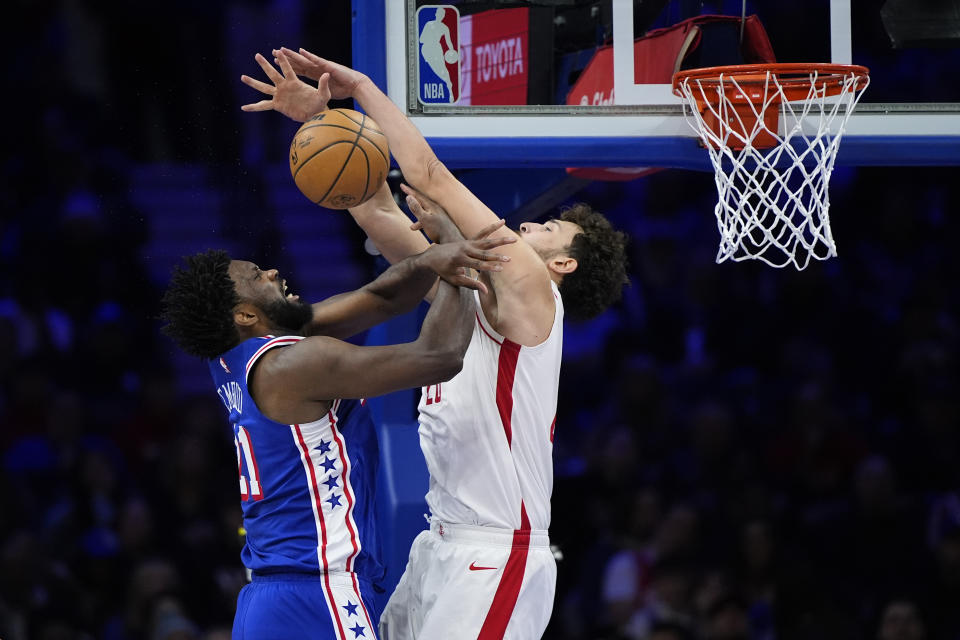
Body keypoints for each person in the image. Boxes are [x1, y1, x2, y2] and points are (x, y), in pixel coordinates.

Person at [240, 47, 629, 639]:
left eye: (546, 229)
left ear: (564, 264)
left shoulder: (534, 293)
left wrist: (363, 88)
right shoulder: (469, 297)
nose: (527, 227)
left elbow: (429, 178)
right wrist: (324, 124)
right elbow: (375, 209)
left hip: (497, 555)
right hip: (440, 546)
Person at [159, 218, 515, 640]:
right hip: (320, 593)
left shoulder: (236, 358)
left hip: (266, 600)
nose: (272, 272)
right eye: (257, 275)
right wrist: (459, 259)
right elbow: (441, 356)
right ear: (245, 313)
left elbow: (381, 299)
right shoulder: (293, 366)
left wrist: (431, 257)